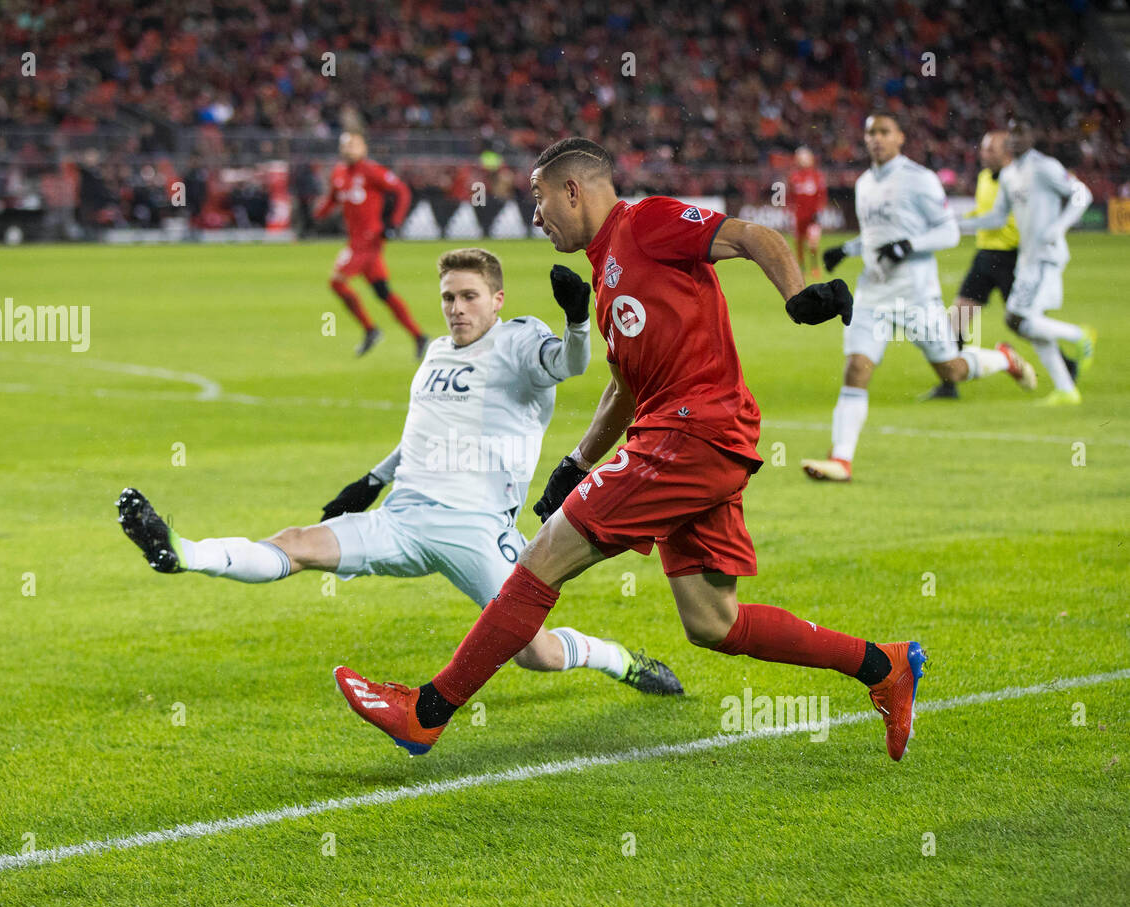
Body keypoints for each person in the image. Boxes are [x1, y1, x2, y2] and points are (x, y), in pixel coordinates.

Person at [334, 137, 927, 763]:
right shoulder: (606, 269)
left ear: (573, 190)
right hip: (688, 436)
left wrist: (795, 295)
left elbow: (754, 236)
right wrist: (578, 462)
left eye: (539, 198)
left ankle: (425, 713)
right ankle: (883, 666)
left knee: (542, 557)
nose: (535, 215)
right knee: (711, 622)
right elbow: (625, 384)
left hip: (692, 431)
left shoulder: (647, 222)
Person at [116, 247, 682, 697]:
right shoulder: (436, 351)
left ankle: (618, 660)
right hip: (404, 517)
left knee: (534, 652)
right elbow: (423, 433)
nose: (457, 308)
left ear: (497, 299)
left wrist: (577, 319)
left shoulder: (519, 341)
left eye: (469, 297)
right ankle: (180, 551)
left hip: (477, 528)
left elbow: (569, 363)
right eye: (448, 298)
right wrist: (371, 480)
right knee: (296, 544)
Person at [806, 113, 1035, 482]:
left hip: (915, 295)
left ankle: (1003, 359)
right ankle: (841, 460)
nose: (877, 139)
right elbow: (876, 235)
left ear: (900, 138)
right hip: (872, 293)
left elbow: (948, 232)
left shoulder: (919, 180)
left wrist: (911, 245)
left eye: (884, 132)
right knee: (857, 367)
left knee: (952, 370)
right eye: (870, 133)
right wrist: (846, 250)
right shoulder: (865, 182)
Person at [958, 118, 1096, 406]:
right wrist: (959, 223)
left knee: (1019, 318)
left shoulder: (1045, 167)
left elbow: (1083, 194)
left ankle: (1079, 335)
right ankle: (1066, 389)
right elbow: (998, 216)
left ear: (1032, 137)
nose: (1017, 139)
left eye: (1023, 133)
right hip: (1027, 259)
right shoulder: (1009, 175)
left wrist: (1059, 227)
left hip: (1047, 256)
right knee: (1023, 322)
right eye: (1013, 134)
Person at [923, 131, 1022, 401]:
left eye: (991, 150)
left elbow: (998, 219)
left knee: (1024, 323)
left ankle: (1066, 365)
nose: (984, 154)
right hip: (985, 257)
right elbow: (983, 214)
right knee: (954, 320)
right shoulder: (982, 178)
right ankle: (948, 383)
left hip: (1011, 258)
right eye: (984, 149)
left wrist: (959, 223)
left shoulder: (1018, 180)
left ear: (1007, 152)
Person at [313, 131, 429, 359]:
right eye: (346, 145)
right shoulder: (339, 173)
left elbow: (402, 192)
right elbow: (333, 199)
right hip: (356, 241)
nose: (350, 149)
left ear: (363, 147)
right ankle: (418, 335)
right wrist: (319, 214)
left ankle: (370, 329)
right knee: (382, 292)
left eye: (354, 144)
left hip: (368, 241)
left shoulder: (371, 170)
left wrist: (393, 223)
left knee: (337, 282)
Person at [787, 146, 826, 278]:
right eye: (800, 158)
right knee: (799, 242)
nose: (803, 160)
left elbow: (822, 195)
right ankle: (801, 267)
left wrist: (820, 210)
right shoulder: (793, 177)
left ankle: (814, 267)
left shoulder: (817, 176)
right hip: (799, 216)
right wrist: (789, 210)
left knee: (813, 243)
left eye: (805, 157)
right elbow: (790, 196)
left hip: (813, 216)